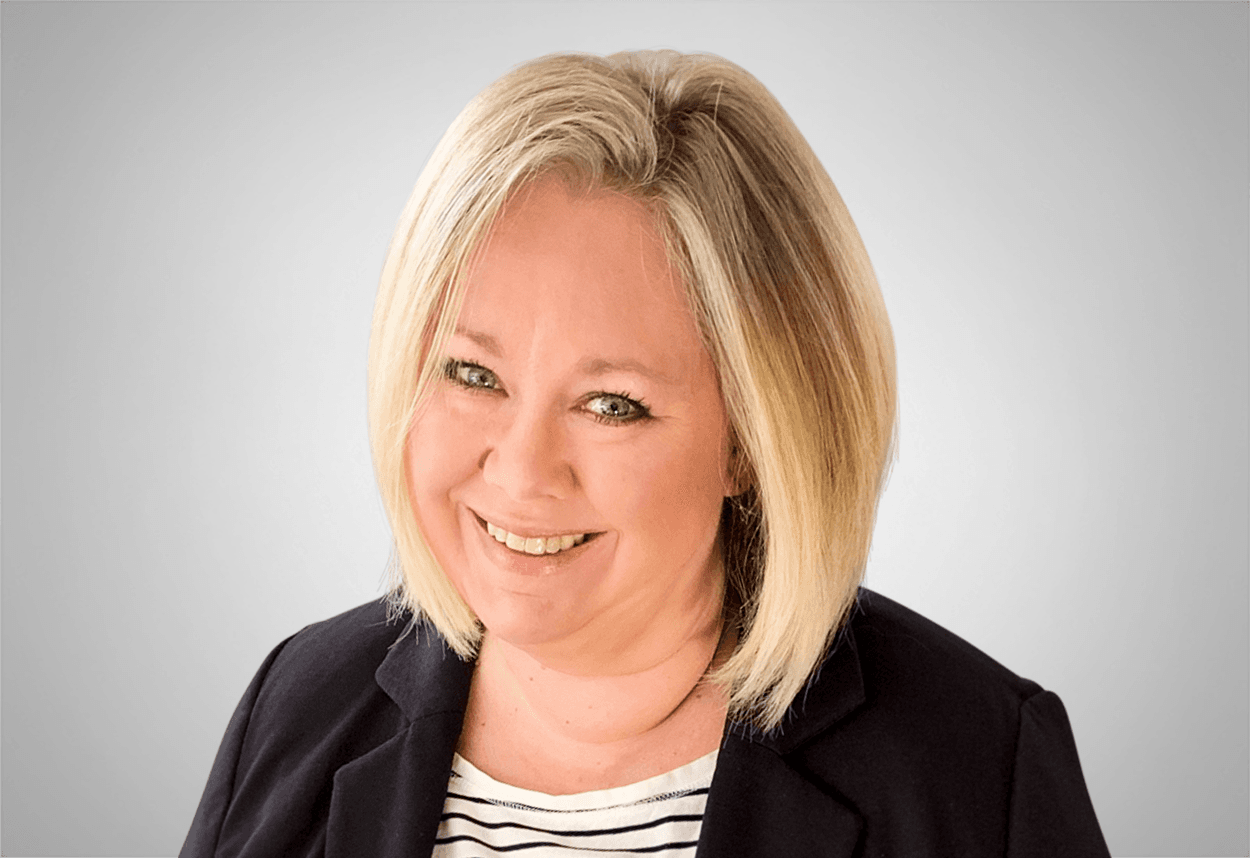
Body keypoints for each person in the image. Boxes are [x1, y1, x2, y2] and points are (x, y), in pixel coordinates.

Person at [180, 50, 1111, 857]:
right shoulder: (298, 706)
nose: (521, 468)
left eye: (612, 404)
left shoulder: (978, 764)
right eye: (471, 373)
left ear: (754, 439)